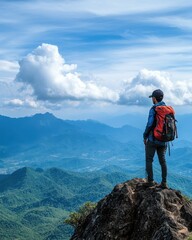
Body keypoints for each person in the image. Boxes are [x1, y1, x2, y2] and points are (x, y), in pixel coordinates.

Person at [143, 89, 168, 189]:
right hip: (163, 140)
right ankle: (164, 182)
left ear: (154, 98)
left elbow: (149, 124)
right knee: (163, 161)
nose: (152, 99)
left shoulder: (154, 109)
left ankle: (150, 181)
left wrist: (145, 136)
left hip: (153, 139)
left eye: (152, 97)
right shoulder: (167, 109)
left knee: (149, 160)